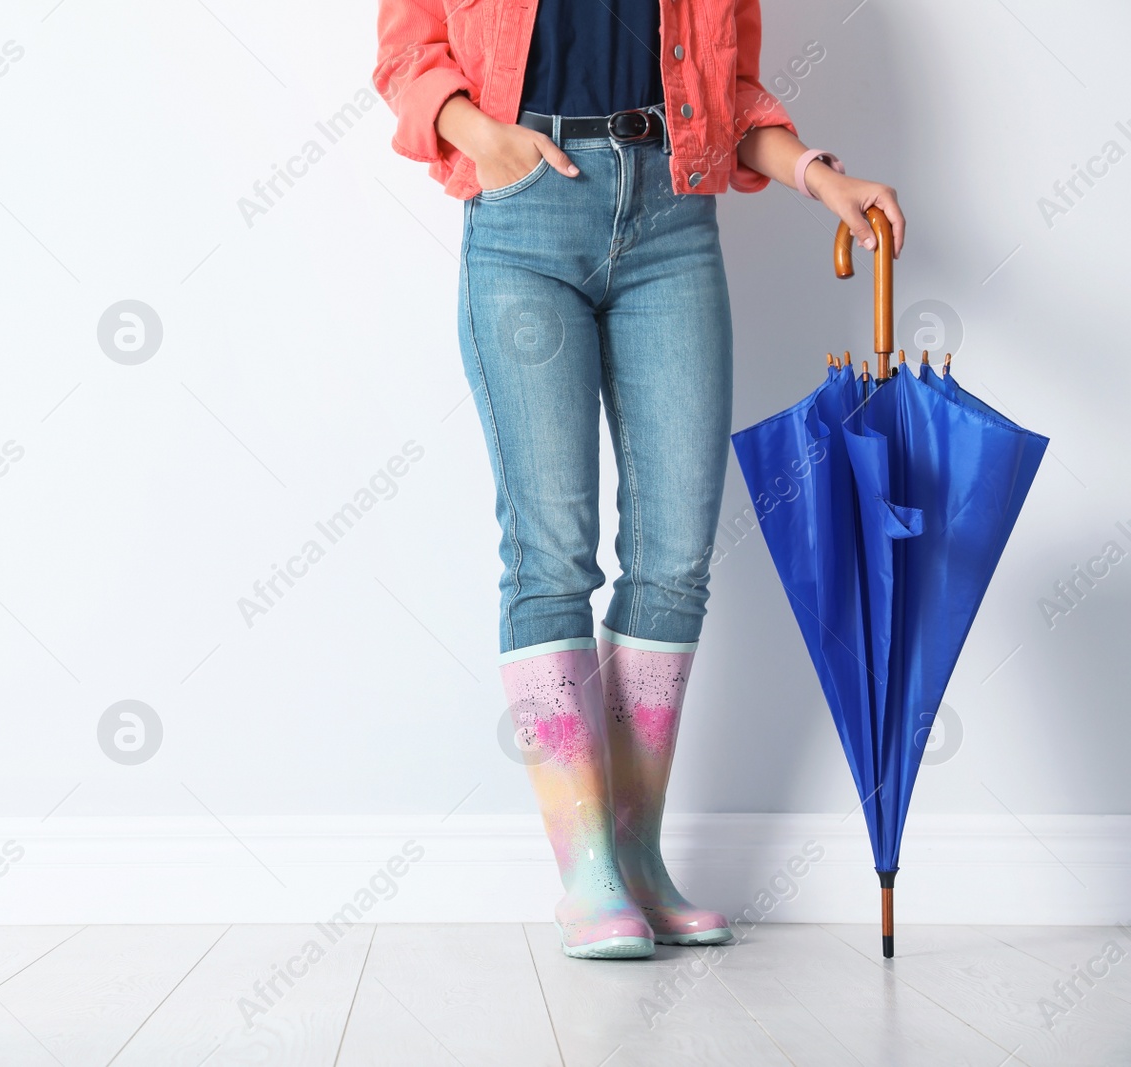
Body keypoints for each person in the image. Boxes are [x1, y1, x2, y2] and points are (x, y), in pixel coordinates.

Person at [373, 0, 906, 959]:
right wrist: (484, 137)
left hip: (672, 218)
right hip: (525, 212)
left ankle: (635, 856)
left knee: (674, 558)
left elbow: (729, 91)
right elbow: (411, 52)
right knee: (551, 554)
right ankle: (586, 876)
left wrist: (817, 174)